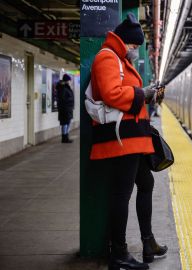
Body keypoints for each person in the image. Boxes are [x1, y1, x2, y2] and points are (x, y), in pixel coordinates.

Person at [90, 13, 166, 270]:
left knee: (146, 184)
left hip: (134, 137)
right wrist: (141, 94)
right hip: (121, 139)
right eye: (134, 46)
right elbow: (112, 94)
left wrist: (149, 95)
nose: (135, 50)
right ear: (125, 41)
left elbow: (127, 94)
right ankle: (118, 254)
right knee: (121, 194)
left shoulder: (119, 58)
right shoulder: (107, 58)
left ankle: (148, 242)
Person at [56, 74, 74, 143]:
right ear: (66, 81)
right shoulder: (63, 88)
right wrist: (69, 101)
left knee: (67, 123)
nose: (70, 82)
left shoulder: (66, 88)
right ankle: (64, 138)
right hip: (65, 109)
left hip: (68, 109)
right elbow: (63, 99)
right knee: (65, 123)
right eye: (69, 80)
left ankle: (66, 137)